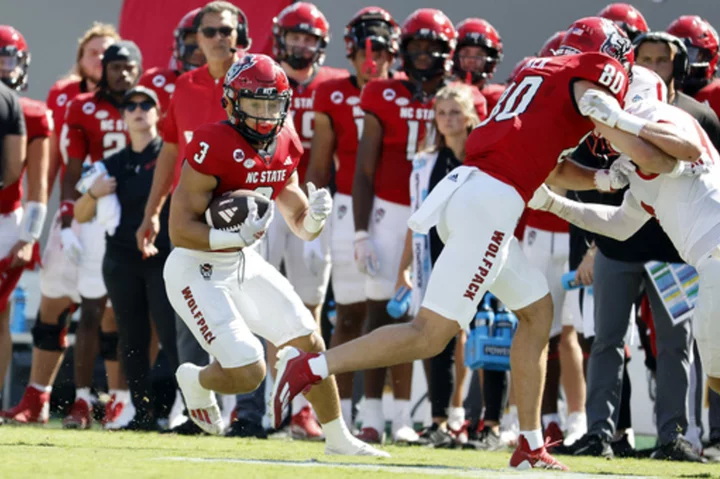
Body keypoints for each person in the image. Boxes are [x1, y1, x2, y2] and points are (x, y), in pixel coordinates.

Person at [270, 16, 703, 469]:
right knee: (429, 335)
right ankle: (309, 368)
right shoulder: (593, 71)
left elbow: (547, 164)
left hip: (476, 191)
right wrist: (639, 146)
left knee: (537, 312)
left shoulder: (537, 74)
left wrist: (600, 177)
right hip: (490, 203)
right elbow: (598, 104)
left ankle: (530, 444)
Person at [164, 53, 386, 457]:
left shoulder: (285, 140)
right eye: (254, 104)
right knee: (251, 371)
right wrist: (227, 235)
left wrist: (313, 219)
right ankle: (196, 379)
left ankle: (338, 438)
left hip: (242, 262)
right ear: (231, 103)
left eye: (272, 103)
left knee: (309, 341)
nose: (265, 114)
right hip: (196, 268)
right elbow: (179, 231)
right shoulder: (211, 143)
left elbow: (296, 215)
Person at [529, 94, 720, 453]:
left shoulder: (664, 121)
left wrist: (625, 122)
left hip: (715, 257)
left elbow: (688, 151)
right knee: (716, 371)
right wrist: (553, 203)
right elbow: (618, 225)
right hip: (710, 266)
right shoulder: (643, 173)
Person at [136, 1, 262, 437]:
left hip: (239, 212)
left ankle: (249, 412)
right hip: (189, 215)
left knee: (247, 308)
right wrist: (152, 212)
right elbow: (170, 151)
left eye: (225, 30)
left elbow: (275, 142)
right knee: (190, 309)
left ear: (238, 34)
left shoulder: (254, 81)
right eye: (209, 31)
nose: (217, 38)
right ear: (197, 37)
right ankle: (197, 410)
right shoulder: (185, 86)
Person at [344, 7, 457, 445]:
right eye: (416, 47)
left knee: (421, 317)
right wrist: (359, 231)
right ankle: (372, 412)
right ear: (402, 50)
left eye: (432, 48)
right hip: (389, 212)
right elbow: (364, 169)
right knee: (378, 313)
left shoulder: (457, 96)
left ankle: (404, 415)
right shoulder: (381, 93)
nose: (424, 56)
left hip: (440, 215)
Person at [1, 23, 119, 425]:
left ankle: (118, 401)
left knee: (111, 309)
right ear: (80, 58)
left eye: (110, 53)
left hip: (115, 214)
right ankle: (38, 396)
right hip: (72, 215)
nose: (103, 61)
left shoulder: (136, 97)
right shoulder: (64, 94)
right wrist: (48, 223)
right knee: (53, 299)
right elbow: (51, 167)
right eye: (94, 53)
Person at [305, 6, 399, 433]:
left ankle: (383, 414)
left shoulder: (405, 91)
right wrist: (308, 214)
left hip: (396, 207)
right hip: (346, 207)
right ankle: (338, 414)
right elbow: (320, 163)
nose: (371, 57)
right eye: (365, 48)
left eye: (379, 48)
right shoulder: (332, 92)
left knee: (390, 314)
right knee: (347, 314)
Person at [74, 86, 179, 431]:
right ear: (122, 118)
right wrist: (93, 192)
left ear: (158, 113)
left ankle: (190, 409)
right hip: (121, 260)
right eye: (130, 105)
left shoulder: (170, 154)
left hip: (163, 257)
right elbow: (81, 212)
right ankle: (142, 413)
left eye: (146, 104)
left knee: (170, 332)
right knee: (130, 339)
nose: (138, 110)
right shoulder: (111, 163)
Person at [267, 2, 348, 440]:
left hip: (311, 200)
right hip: (264, 197)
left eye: (309, 39)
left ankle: (301, 405)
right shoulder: (261, 74)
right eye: (295, 37)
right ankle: (259, 402)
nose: (300, 46)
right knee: (256, 299)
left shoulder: (335, 85)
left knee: (309, 304)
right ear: (281, 38)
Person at [57, 40, 143, 429]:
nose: (122, 74)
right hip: (96, 215)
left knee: (129, 312)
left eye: (129, 67)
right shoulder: (82, 106)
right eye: (115, 67)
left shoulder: (146, 105)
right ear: (103, 70)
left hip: (134, 214)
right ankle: (80, 399)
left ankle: (123, 400)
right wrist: (67, 218)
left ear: (139, 69)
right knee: (91, 309)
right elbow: (71, 167)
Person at [398, 83, 479, 447]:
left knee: (480, 334)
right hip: (435, 257)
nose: (448, 119)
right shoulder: (426, 160)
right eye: (442, 112)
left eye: (455, 113)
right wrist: (406, 266)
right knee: (438, 339)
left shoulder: (483, 156)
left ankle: (487, 421)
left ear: (470, 117)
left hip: (479, 255)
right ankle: (439, 421)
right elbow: (418, 217)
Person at [138, 8, 206, 122]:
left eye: (204, 41)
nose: (198, 50)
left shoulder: (229, 85)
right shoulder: (153, 82)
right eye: (192, 41)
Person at [452, 18, 505, 111]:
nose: (472, 60)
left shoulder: (502, 100)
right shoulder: (440, 97)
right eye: (466, 53)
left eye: (479, 55)